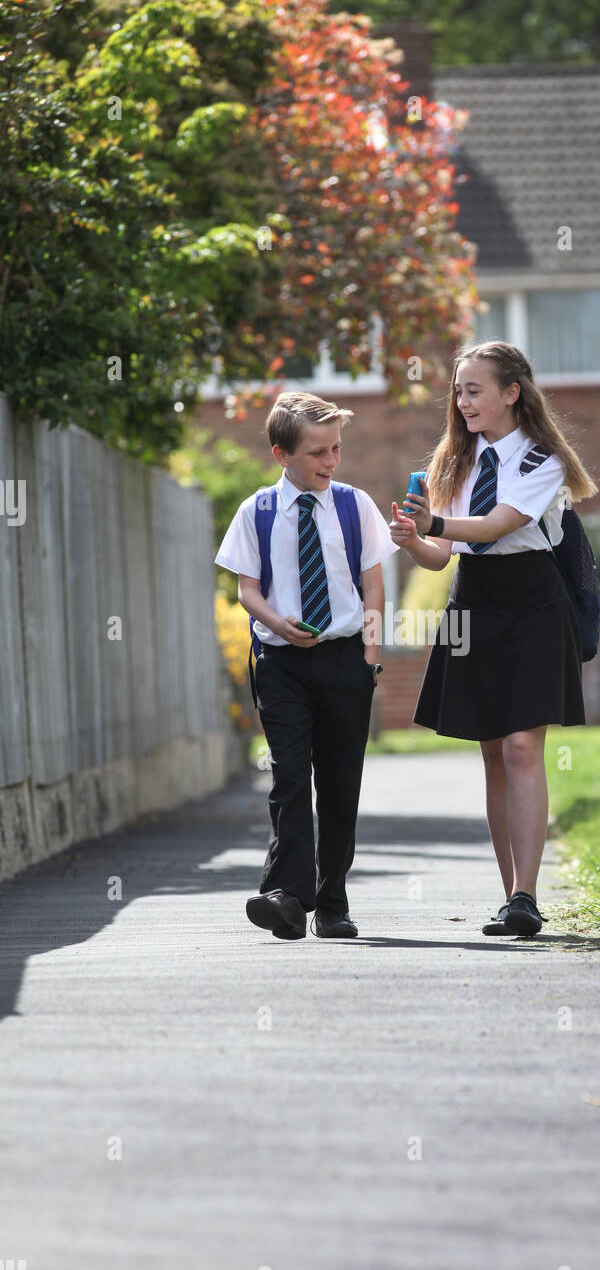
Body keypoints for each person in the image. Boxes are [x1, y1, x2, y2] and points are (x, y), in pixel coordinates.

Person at [390, 341, 598, 938]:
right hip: (473, 601)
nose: (462, 401)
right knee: (491, 752)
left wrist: (434, 523)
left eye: (473, 389)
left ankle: (527, 896)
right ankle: (509, 894)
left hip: (534, 604)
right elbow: (444, 555)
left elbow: (497, 524)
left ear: (512, 392)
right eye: (458, 391)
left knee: (522, 748)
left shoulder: (541, 460)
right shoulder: (454, 461)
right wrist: (413, 539)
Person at [215, 391, 397, 940]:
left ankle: (332, 902)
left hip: (346, 661)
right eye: (317, 452)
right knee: (290, 778)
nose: (330, 461)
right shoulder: (257, 512)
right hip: (281, 662)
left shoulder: (354, 505)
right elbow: (247, 590)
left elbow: (373, 588)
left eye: (336, 449)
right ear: (281, 453)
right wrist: (278, 621)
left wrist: (370, 659)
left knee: (340, 784)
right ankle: (287, 894)